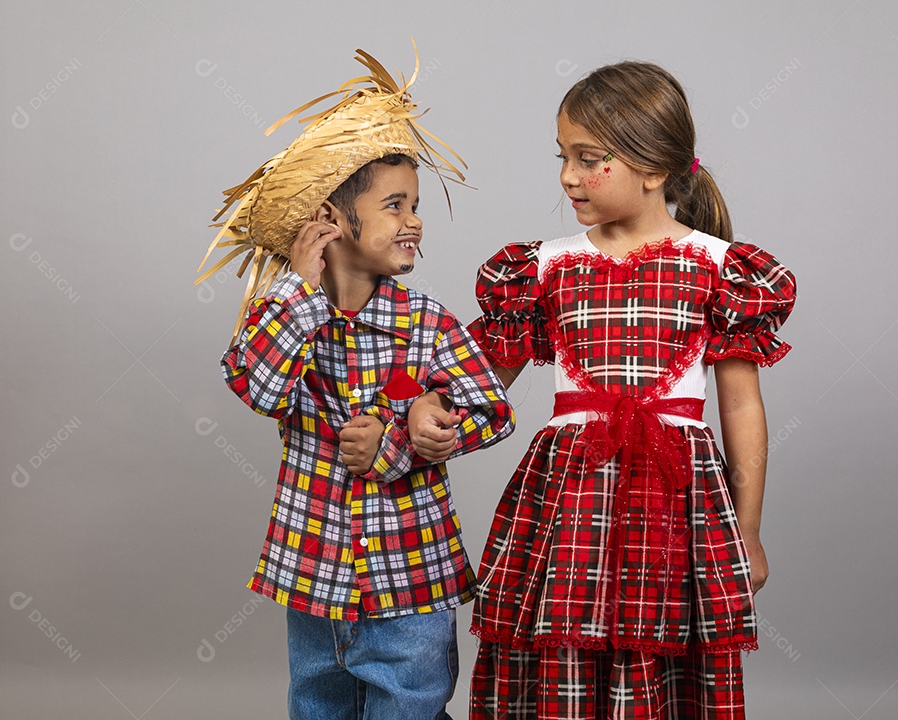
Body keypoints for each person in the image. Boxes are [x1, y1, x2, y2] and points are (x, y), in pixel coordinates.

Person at [466, 60, 797, 719]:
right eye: (563, 157)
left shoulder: (720, 268)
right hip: (570, 497)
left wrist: (749, 530)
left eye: (589, 159)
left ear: (653, 168)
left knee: (666, 644)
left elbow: (740, 407)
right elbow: (479, 382)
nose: (567, 176)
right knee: (562, 635)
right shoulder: (544, 268)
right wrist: (422, 413)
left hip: (678, 497)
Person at [202, 47, 514, 720]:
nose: (415, 221)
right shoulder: (285, 318)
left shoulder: (426, 321)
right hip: (315, 583)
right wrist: (298, 292)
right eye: (394, 205)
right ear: (333, 221)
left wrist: (415, 431)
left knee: (408, 706)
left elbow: (493, 408)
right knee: (316, 706)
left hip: (411, 584)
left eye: (416, 205)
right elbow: (257, 388)